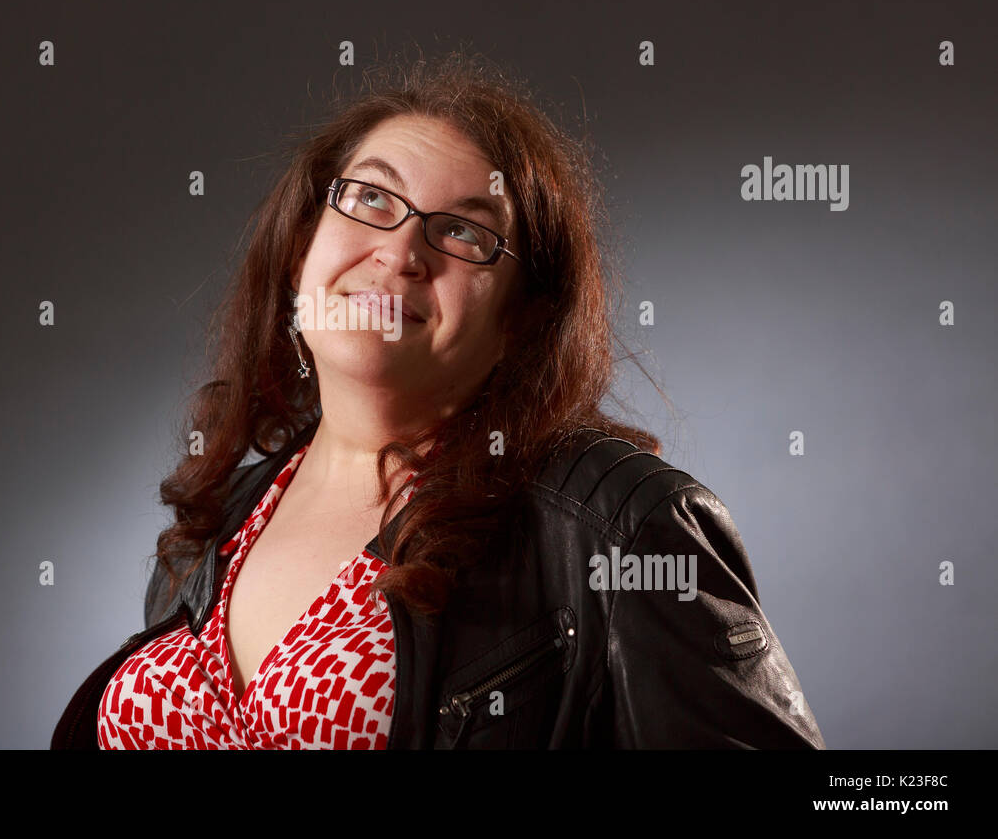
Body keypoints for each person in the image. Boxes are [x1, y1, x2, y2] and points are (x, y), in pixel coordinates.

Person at [51, 51, 826, 749]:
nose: (400, 252)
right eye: (371, 201)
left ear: (519, 319)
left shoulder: (620, 528)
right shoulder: (216, 523)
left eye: (462, 233)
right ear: (299, 252)